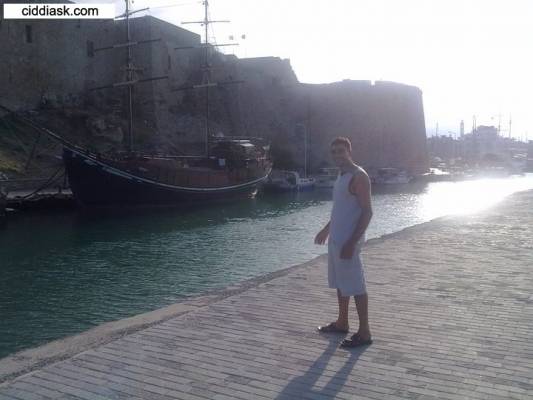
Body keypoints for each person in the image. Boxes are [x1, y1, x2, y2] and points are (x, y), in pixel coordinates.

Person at [314, 137, 373, 348]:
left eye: (341, 150)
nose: (337, 155)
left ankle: (364, 332)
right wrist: (327, 229)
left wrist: (351, 243)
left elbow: (367, 212)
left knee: (356, 285)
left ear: (349, 151)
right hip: (337, 240)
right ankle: (342, 322)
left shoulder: (359, 176)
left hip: (348, 242)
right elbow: (341, 209)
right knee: (341, 282)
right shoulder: (342, 175)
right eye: (334, 152)